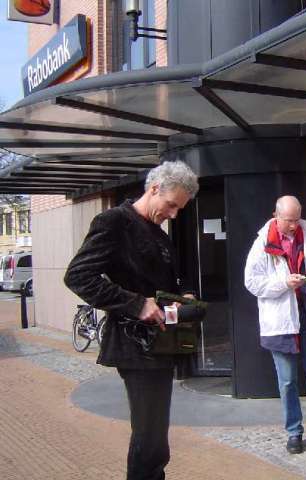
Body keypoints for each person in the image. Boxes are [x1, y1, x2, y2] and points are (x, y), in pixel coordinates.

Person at [64, 161, 199, 480]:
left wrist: (183, 297)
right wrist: (135, 304)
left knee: (155, 437)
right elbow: (78, 276)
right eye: (171, 205)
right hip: (134, 345)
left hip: (160, 345)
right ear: (154, 189)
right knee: (150, 439)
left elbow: (162, 287)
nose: (174, 214)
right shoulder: (113, 222)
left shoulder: (160, 236)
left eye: (179, 208)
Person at [244, 195, 306, 454]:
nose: (293, 225)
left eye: (297, 219)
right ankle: (294, 432)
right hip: (280, 324)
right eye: (289, 220)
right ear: (276, 216)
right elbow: (252, 283)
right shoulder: (262, 244)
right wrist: (283, 284)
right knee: (287, 381)